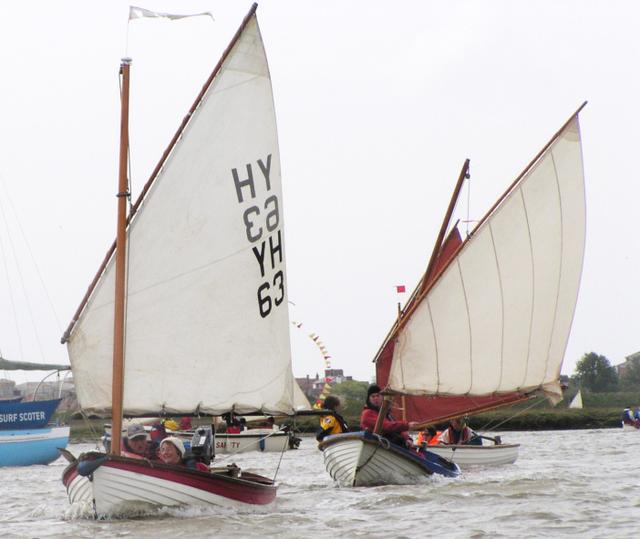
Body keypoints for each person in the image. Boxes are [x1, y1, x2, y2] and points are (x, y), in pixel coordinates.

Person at [360, 384, 419, 448]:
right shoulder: (367, 414)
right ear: (369, 399)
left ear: (382, 397)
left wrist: (408, 439)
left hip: (387, 444)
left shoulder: (386, 414)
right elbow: (386, 426)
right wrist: (407, 425)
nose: (376, 398)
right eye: (373, 396)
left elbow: (399, 430)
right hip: (377, 444)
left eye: (378, 396)